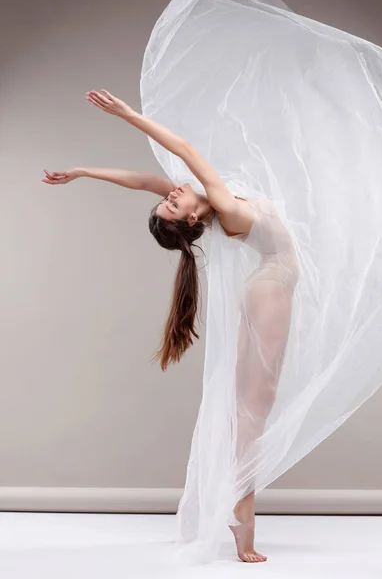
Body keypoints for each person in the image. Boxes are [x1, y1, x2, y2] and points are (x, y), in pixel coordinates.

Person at [43, 88, 299, 563]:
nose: (174, 193)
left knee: (247, 406)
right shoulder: (223, 204)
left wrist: (82, 172)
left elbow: (140, 181)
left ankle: (237, 512)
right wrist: (127, 115)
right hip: (272, 286)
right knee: (253, 410)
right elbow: (185, 149)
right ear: (194, 220)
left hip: (264, 286)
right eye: (173, 204)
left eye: (170, 200)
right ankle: (244, 525)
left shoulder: (207, 206)